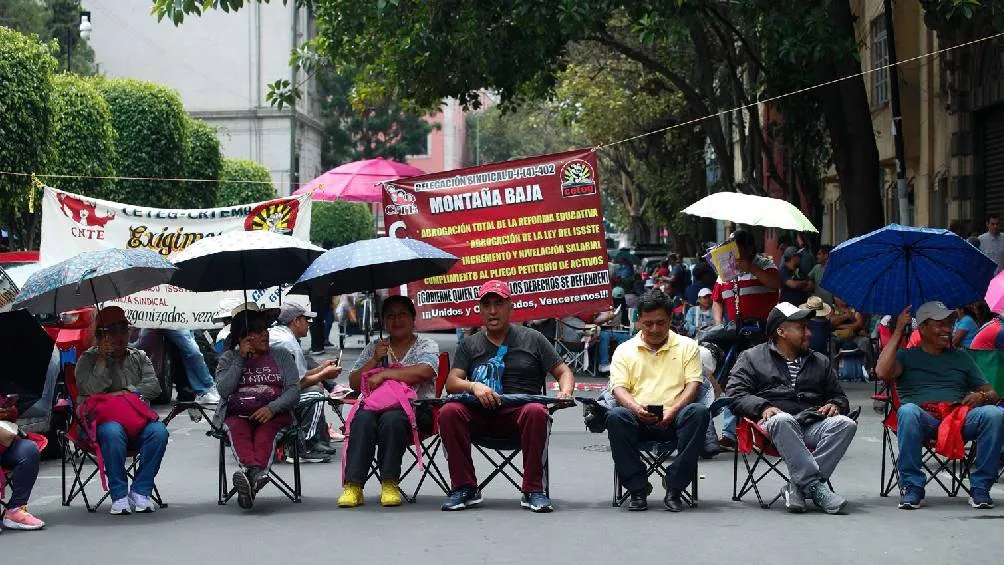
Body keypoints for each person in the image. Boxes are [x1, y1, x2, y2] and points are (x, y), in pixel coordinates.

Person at [439, 280, 575, 513]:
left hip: (521, 417)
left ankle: (533, 490)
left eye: (498, 304)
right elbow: (451, 383)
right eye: (487, 305)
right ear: (480, 310)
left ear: (510, 307)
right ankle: (464, 487)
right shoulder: (470, 345)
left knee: (535, 410)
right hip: (480, 416)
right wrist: (474, 386)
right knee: (449, 411)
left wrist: (565, 391)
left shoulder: (533, 338)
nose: (493, 311)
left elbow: (563, 371)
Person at [726, 302, 856, 514]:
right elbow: (734, 395)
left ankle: (798, 486)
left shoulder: (819, 361)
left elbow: (838, 396)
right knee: (783, 419)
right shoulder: (751, 358)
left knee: (845, 423)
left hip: (811, 423)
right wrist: (763, 407)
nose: (809, 333)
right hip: (771, 428)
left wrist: (835, 404)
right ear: (781, 332)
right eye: (802, 328)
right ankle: (815, 487)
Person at [876, 302, 1003, 509]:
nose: (948, 329)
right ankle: (912, 486)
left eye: (951, 323)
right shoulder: (906, 356)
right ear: (923, 328)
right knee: (908, 411)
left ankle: (981, 488)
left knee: (993, 414)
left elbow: (992, 393)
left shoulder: (961, 357)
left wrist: (981, 396)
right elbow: (882, 372)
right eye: (941, 324)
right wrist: (899, 330)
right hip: (924, 420)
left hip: (958, 418)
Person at [606, 290, 710, 511]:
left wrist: (673, 410)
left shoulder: (687, 346)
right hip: (638, 417)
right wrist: (635, 408)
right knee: (616, 416)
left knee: (699, 413)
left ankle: (674, 487)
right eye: (648, 323)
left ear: (670, 320)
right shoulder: (624, 350)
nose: (654, 329)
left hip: (676, 417)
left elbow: (694, 384)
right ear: (638, 322)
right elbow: (618, 388)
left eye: (661, 323)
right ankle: (637, 488)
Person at [338, 296, 440, 508]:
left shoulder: (426, 344)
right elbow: (354, 382)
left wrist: (386, 375)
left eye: (402, 314)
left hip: (417, 411)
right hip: (374, 409)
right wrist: (374, 360)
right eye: (390, 316)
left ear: (413, 318)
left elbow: (426, 370)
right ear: (384, 321)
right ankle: (353, 485)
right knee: (363, 418)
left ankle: (389, 482)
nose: (396, 320)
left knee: (393, 419)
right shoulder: (376, 346)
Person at [75, 306, 169, 515]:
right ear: (101, 335)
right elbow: (90, 390)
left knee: (159, 432)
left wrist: (126, 394)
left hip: (135, 421)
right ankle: (118, 494)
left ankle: (141, 490)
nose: (120, 335)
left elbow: (153, 387)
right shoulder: (87, 360)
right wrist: (102, 361)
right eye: (112, 330)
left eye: (123, 329)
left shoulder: (139, 356)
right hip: (99, 425)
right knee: (113, 432)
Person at [214, 303, 300, 510]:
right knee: (237, 430)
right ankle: (256, 476)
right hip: (237, 414)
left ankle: (250, 477)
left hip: (274, 413)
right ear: (244, 338)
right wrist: (240, 361)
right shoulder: (229, 358)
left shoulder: (281, 355)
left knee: (265, 433)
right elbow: (224, 391)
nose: (265, 335)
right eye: (258, 331)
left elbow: (293, 391)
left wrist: (272, 408)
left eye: (265, 330)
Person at [710, 229, 781, 449]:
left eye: (737, 247)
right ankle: (729, 431)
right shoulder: (725, 270)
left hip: (761, 331)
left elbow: (774, 284)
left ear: (749, 247)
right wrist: (719, 323)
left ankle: (765, 429)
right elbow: (717, 300)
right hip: (734, 332)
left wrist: (750, 268)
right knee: (733, 379)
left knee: (763, 379)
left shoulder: (765, 264)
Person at [269, 300, 342, 462]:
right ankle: (304, 445)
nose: (308, 325)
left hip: (273, 390)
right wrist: (323, 375)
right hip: (274, 396)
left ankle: (313, 440)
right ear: (296, 321)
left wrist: (322, 368)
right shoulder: (288, 342)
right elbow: (297, 385)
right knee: (315, 393)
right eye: (306, 320)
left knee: (316, 386)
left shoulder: (282, 335)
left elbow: (298, 375)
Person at [0, 395, 44, 530]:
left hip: (4, 444)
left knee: (28, 450)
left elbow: (12, 416)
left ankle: (15, 509)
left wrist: (8, 410)